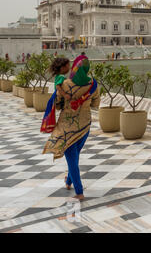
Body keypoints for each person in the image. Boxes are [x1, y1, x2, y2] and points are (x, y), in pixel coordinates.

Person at [42, 55, 100, 201]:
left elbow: (58, 104)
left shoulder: (64, 84)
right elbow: (95, 105)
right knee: (74, 157)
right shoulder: (93, 84)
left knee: (72, 159)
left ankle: (79, 192)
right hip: (85, 126)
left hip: (67, 128)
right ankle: (69, 181)